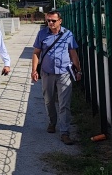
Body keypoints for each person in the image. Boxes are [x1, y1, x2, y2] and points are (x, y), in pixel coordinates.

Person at [31, 10, 82, 145]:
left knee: (64, 104)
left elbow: (73, 53)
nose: (51, 23)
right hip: (47, 73)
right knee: (49, 100)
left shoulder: (67, 35)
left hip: (64, 72)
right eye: (48, 20)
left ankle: (65, 132)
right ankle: (52, 122)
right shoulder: (42, 34)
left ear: (60, 21)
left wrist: (78, 70)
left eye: (53, 20)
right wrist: (34, 70)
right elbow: (36, 53)